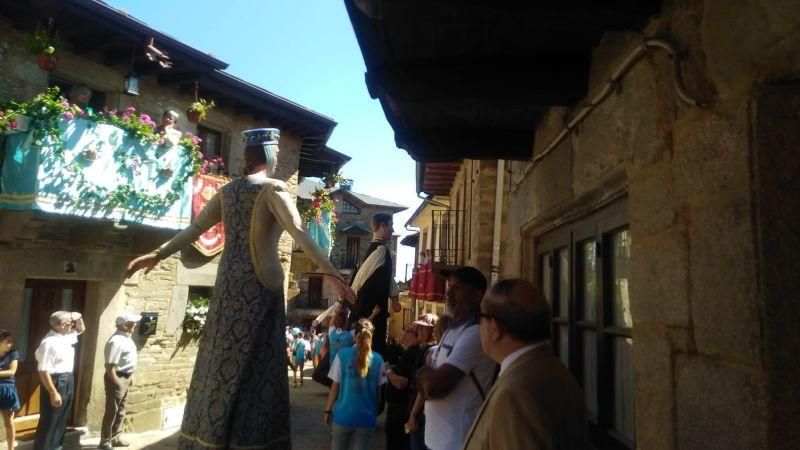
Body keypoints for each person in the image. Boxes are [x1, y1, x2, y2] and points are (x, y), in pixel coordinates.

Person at [125, 128, 354, 450]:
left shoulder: (227, 191)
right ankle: (253, 439)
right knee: (259, 365)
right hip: (262, 281)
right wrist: (333, 275)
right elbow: (301, 234)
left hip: (228, 281)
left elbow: (194, 229)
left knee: (219, 359)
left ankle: (208, 434)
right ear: (272, 155)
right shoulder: (274, 188)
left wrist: (158, 253)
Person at [464, 279, 586, 450]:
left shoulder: (514, 394)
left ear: (494, 328)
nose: (479, 326)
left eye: (480, 318)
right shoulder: (551, 368)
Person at [417, 267, 496, 450]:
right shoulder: (452, 330)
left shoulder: (475, 333)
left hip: (459, 442)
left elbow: (432, 387)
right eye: (449, 285)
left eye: (458, 287)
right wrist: (428, 375)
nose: (449, 292)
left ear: (476, 295)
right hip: (436, 442)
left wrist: (422, 372)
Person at [325, 318, 386, 450]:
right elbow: (378, 393)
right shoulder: (378, 359)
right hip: (366, 418)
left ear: (354, 334)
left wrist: (328, 410)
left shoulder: (342, 355)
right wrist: (374, 412)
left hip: (343, 417)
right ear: (371, 335)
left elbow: (335, 388)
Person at [350, 213, 401, 357]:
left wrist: (395, 296)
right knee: (372, 351)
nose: (392, 229)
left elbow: (387, 276)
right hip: (373, 312)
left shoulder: (376, 250)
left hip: (368, 312)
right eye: (391, 225)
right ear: (383, 226)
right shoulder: (381, 250)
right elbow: (361, 279)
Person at [33, 311, 86, 450]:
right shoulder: (49, 342)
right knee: (50, 421)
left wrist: (78, 317)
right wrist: (52, 392)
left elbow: (81, 329)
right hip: (56, 381)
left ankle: (56, 447)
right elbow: (43, 370)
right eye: (70, 323)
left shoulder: (65, 336)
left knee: (62, 420)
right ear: (63, 325)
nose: (73, 325)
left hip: (68, 379)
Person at [98, 311, 141, 450]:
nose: (136, 325)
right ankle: (105, 441)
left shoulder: (126, 338)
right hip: (117, 377)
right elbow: (109, 365)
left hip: (125, 377)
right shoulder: (115, 341)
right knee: (112, 410)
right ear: (126, 325)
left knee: (121, 410)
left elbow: (127, 360)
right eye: (133, 323)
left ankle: (116, 437)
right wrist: (116, 381)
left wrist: (130, 375)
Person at [405, 314, 440, 450]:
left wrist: (413, 414)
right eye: (419, 327)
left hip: (421, 413)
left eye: (424, 328)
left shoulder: (431, 353)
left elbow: (423, 388)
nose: (419, 330)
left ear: (433, 331)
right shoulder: (423, 350)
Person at [384, 324, 421, 450]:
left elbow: (402, 383)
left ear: (416, 337)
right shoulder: (407, 352)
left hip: (401, 410)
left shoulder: (412, 353)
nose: (404, 332)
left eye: (409, 330)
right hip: (398, 409)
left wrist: (388, 371)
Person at [0, 330, 20, 450]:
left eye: (11, 342)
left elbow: (12, 371)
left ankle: (10, 448)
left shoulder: (13, 354)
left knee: (9, 421)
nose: (11, 344)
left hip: (7, 389)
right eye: (8, 342)